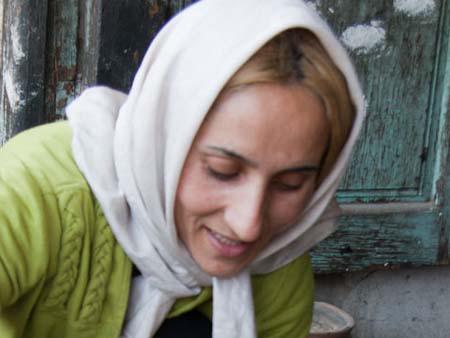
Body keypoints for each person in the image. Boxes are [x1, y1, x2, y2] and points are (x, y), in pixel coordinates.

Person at [0, 0, 365, 337]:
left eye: (290, 184)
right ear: (161, 142)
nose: (248, 224)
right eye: (222, 170)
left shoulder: (276, 261)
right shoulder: (34, 192)